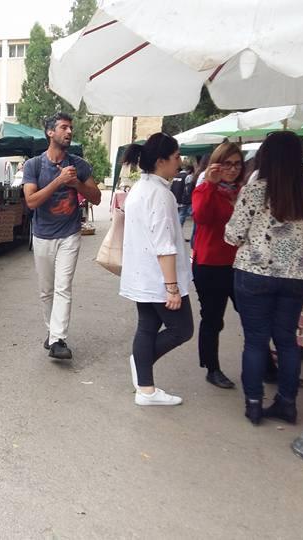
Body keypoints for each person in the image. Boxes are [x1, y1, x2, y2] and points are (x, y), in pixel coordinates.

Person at [224, 131, 303, 425]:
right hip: (295, 279)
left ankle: (254, 404)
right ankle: (288, 403)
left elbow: (233, 235)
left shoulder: (255, 191)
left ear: (266, 157)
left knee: (255, 341)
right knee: (287, 341)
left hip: (254, 275)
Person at [120, 133, 194, 406]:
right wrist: (172, 287)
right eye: (176, 158)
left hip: (143, 276)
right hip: (158, 277)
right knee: (182, 329)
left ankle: (146, 387)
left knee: (148, 327)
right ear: (161, 161)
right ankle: (142, 370)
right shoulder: (160, 195)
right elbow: (164, 245)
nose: (180, 162)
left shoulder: (140, 189)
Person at [22, 112, 102, 360]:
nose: (69, 132)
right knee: (46, 290)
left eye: (71, 128)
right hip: (43, 234)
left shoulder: (78, 164)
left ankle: (58, 340)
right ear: (50, 132)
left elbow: (97, 197)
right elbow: (31, 201)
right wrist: (58, 182)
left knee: (63, 287)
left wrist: (77, 184)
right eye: (64, 127)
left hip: (69, 234)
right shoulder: (33, 165)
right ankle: (52, 331)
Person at [190, 142, 244, 389]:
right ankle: (212, 368)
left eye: (237, 164)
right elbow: (201, 216)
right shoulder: (205, 189)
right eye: (227, 164)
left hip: (240, 264)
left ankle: (267, 366)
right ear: (216, 164)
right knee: (213, 319)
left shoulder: (241, 191)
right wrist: (210, 184)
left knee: (253, 317)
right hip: (210, 264)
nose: (232, 170)